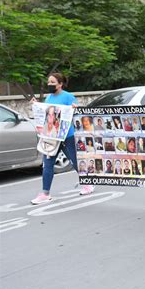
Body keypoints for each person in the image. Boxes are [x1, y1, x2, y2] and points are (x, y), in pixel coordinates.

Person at [30, 73, 94, 205]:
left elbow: (78, 114)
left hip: (67, 136)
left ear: (60, 84)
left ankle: (88, 184)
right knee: (47, 164)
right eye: (48, 82)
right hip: (52, 137)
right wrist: (37, 106)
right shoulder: (48, 98)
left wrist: (75, 109)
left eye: (52, 82)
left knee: (75, 161)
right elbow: (46, 113)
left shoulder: (68, 96)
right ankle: (45, 193)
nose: (49, 85)